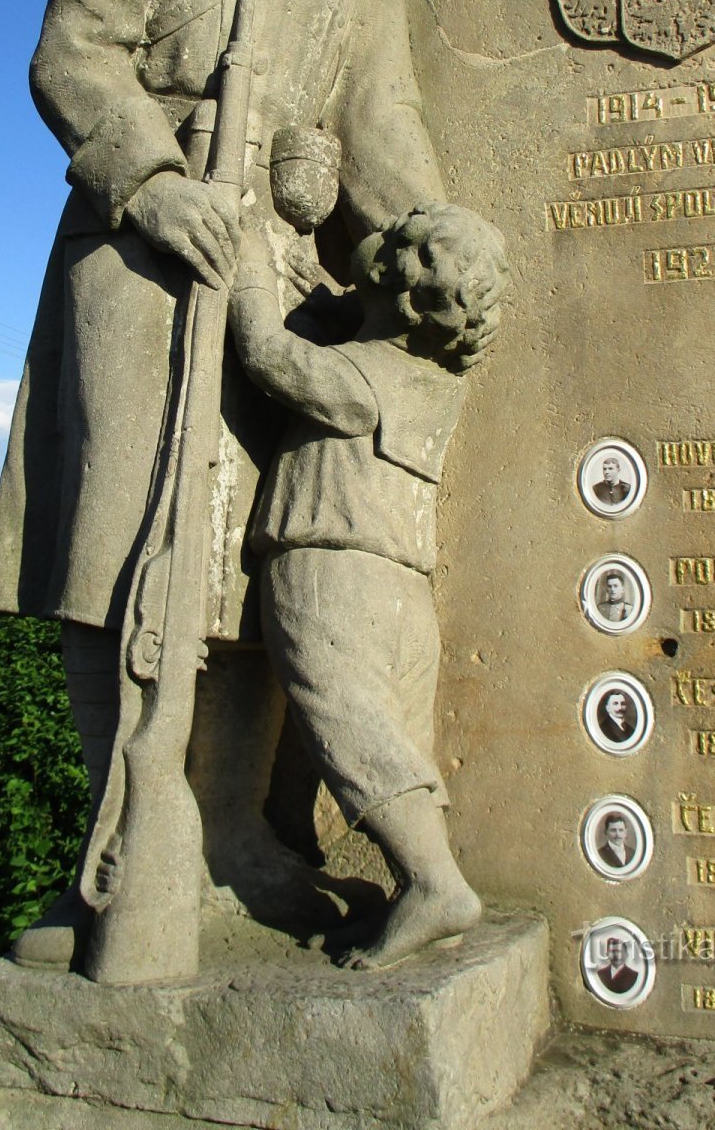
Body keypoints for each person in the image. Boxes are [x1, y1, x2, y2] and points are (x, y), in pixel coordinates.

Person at [0, 0, 486, 969]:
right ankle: (126, 846)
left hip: (281, 287)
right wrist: (153, 180)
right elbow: (72, 54)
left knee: (250, 568)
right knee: (127, 547)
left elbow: (381, 133)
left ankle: (227, 835)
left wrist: (434, 238)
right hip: (146, 259)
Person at [228, 201, 507, 969]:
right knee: (378, 738)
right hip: (401, 591)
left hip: (332, 570)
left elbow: (264, 354)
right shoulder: (425, 378)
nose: (377, 240)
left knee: (348, 726)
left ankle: (433, 883)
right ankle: (312, 860)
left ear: (404, 287)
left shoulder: (364, 376)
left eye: (399, 243)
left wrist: (248, 265)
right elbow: (331, 336)